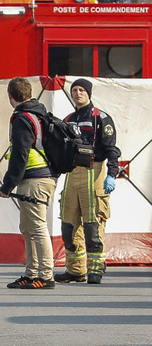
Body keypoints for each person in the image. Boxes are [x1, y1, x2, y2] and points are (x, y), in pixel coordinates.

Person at [54, 78, 120, 285]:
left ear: (89, 93)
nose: (78, 93)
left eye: (82, 90)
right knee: (68, 225)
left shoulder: (101, 118)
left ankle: (95, 270)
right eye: (74, 90)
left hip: (95, 173)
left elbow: (111, 150)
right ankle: (75, 271)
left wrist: (112, 174)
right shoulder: (68, 119)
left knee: (93, 227)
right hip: (72, 175)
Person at [0, 77, 58, 289]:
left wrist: (7, 186)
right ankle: (32, 273)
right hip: (43, 177)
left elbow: (19, 155)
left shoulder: (23, 118)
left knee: (38, 228)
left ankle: (45, 275)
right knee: (28, 228)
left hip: (35, 178)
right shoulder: (39, 113)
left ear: (10, 96)